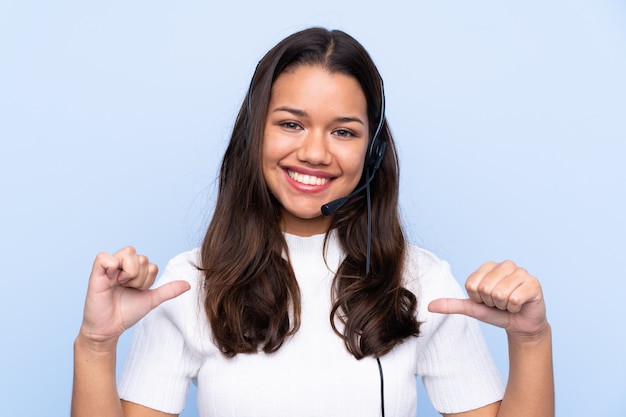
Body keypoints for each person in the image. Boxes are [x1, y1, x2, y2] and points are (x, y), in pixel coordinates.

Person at [72, 27, 554, 417]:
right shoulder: (186, 285)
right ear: (253, 132)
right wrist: (96, 346)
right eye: (290, 124)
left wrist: (531, 339)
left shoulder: (422, 281)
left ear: (373, 151)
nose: (315, 153)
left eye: (343, 131)